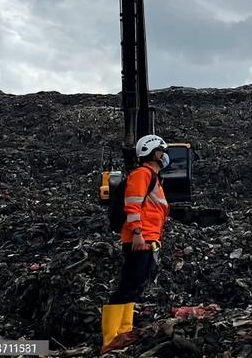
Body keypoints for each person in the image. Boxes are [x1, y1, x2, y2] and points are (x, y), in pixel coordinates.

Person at [101, 135, 171, 352]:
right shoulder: (142, 174)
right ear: (152, 153)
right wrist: (138, 234)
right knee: (127, 286)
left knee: (134, 285)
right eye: (161, 150)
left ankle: (124, 331)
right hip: (138, 240)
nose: (164, 154)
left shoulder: (152, 177)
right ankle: (110, 339)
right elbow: (133, 206)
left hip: (148, 239)